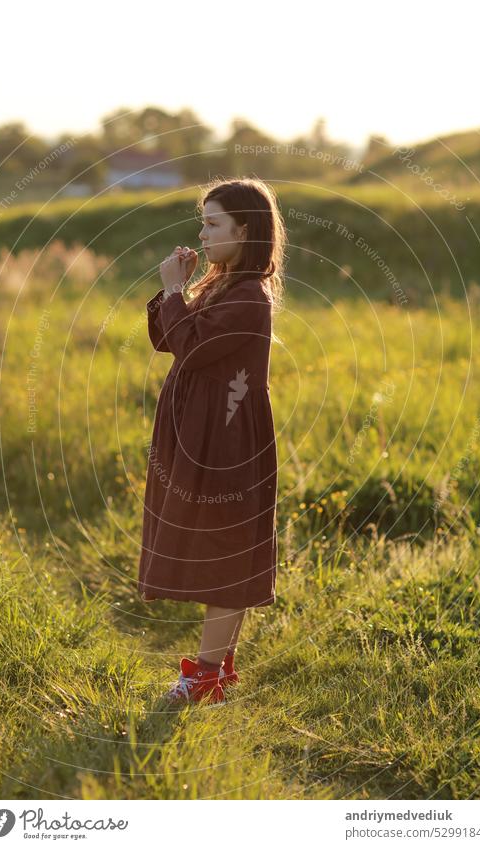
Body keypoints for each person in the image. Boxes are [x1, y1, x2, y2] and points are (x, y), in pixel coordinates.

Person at [138, 177, 286, 705]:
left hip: (227, 443)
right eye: (202, 222)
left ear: (244, 230)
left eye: (212, 223)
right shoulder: (221, 286)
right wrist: (176, 288)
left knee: (226, 551)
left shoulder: (251, 297)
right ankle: (216, 672)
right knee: (217, 546)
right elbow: (167, 340)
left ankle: (204, 678)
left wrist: (176, 291)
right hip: (200, 437)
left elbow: (194, 350)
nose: (201, 234)